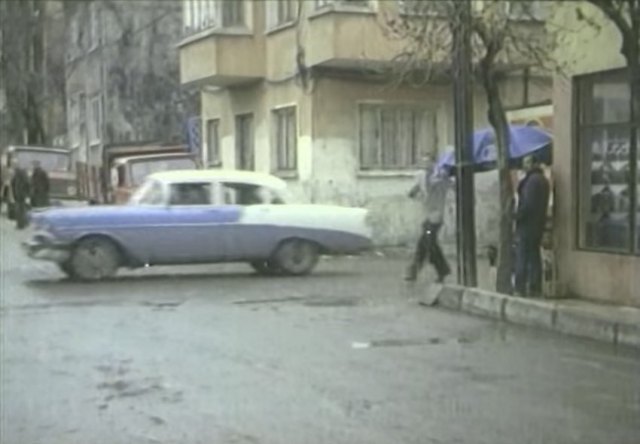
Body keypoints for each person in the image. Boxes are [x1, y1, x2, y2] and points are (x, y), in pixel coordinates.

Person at [405, 155, 452, 282]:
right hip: (427, 217)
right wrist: (415, 193)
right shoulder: (423, 177)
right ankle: (415, 271)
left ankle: (440, 269)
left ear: (434, 163)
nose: (425, 165)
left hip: (436, 218)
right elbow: (413, 192)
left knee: (429, 242)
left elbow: (449, 185)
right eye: (423, 162)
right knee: (424, 243)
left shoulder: (440, 178)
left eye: (428, 162)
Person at [514, 154, 550, 297]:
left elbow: (527, 205)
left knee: (522, 255)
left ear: (534, 163)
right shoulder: (543, 180)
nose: (525, 165)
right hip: (538, 224)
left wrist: (517, 216)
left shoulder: (532, 181)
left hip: (527, 224)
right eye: (524, 163)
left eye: (527, 162)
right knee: (534, 256)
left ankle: (520, 287)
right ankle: (535, 287)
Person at [10, 159, 30, 229]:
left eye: (14, 164)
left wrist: (27, 194)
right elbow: (13, 183)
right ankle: (23, 223)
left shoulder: (21, 172)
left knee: (20, 210)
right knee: (20, 210)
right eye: (13, 164)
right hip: (18, 194)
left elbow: (27, 183)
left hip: (21, 194)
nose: (13, 166)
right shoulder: (16, 172)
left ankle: (21, 224)